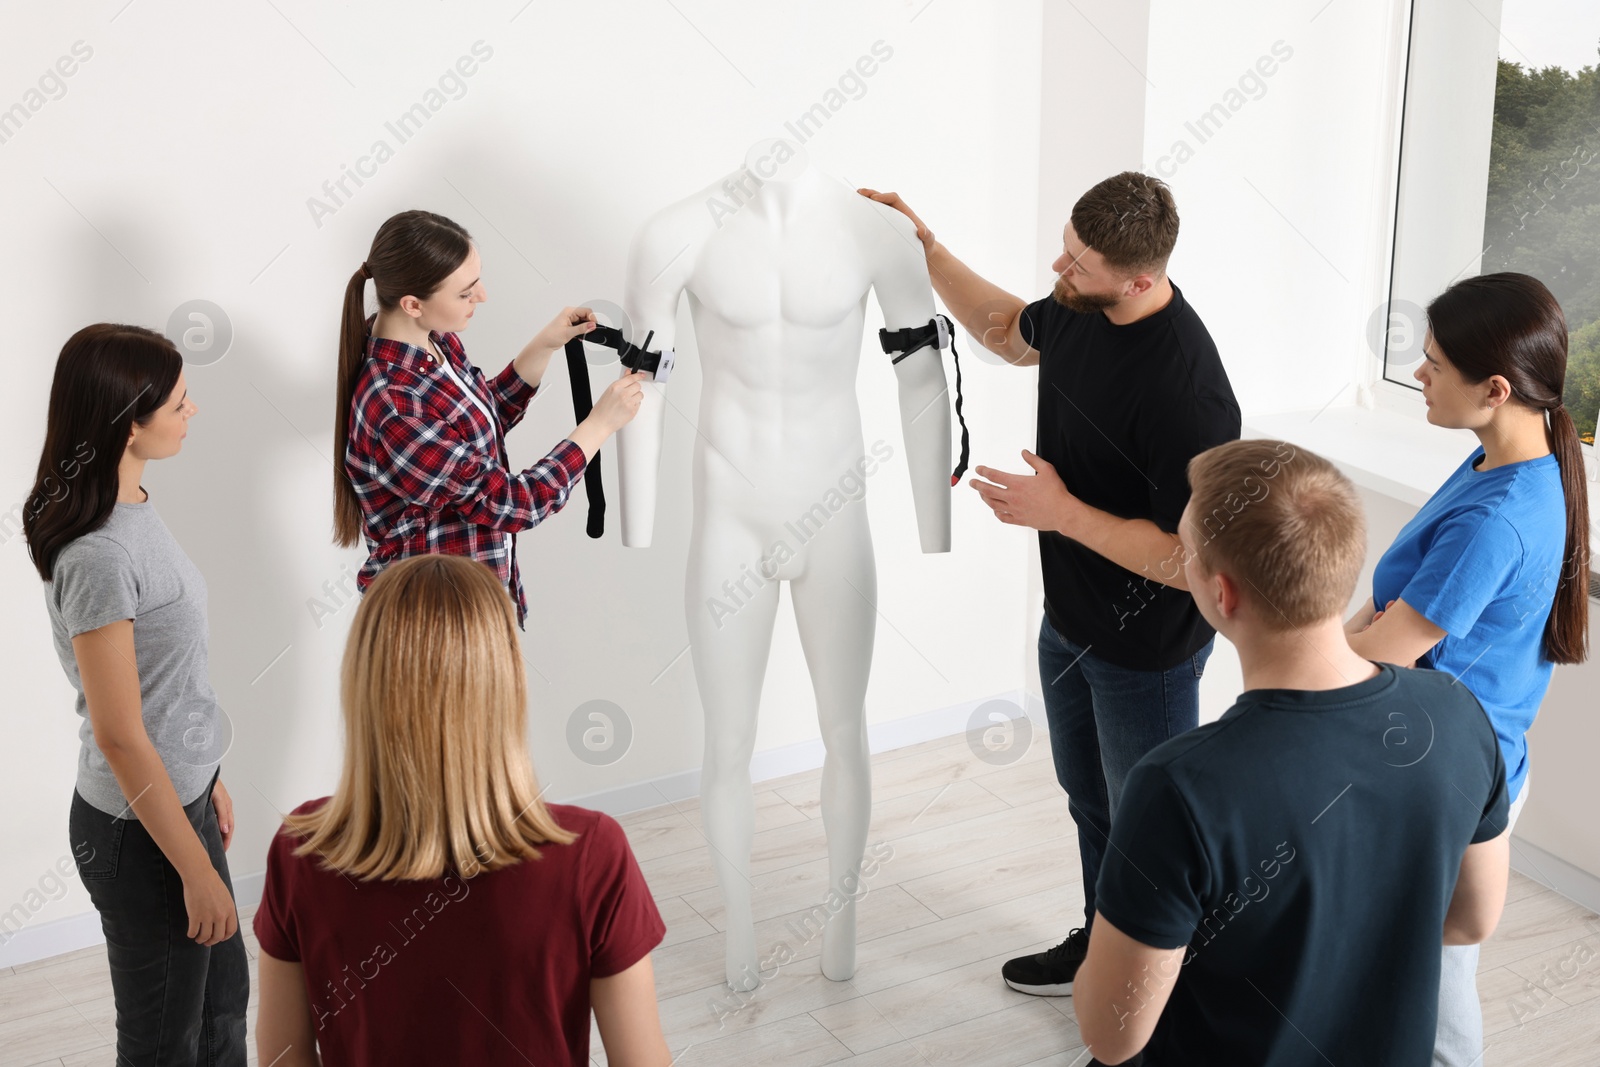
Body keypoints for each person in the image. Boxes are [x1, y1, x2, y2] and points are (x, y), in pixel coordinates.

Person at [860, 172, 1240, 994]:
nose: (1059, 270)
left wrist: (1060, 511)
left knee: (1152, 825)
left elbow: (1190, 561)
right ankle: (1105, 949)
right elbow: (1004, 328)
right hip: (1069, 620)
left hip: (1149, 650)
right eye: (1064, 250)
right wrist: (923, 247)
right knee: (1090, 800)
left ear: (1139, 279)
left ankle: (1165, 989)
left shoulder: (1188, 392)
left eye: (1079, 263)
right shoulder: (1081, 308)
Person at [1075, 439, 1512, 1066]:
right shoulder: (1456, 713)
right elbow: (1471, 921)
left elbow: (1111, 1036)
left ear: (1222, 594)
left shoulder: (1179, 785)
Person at [253, 554, 672, 1066]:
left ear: (362, 685)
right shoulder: (592, 856)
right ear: (506, 682)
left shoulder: (300, 852)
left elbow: (282, 1058)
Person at [1344, 272, 1589, 1066]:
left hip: (1450, 772)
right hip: (1452, 753)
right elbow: (1389, 619)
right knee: (1413, 963)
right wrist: (1362, 625)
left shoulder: (1499, 517)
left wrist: (1297, 634)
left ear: (1493, 388)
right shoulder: (1505, 460)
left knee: (1440, 982)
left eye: (1434, 363)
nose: (1419, 372)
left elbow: (1390, 642)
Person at [25, 324, 248, 1064]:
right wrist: (191, 867)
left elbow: (165, 677)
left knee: (222, 1017)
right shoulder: (99, 554)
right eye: (181, 403)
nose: (194, 412)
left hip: (180, 808)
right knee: (162, 1044)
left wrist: (207, 776)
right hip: (136, 833)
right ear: (130, 422)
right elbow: (121, 734)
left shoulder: (134, 504)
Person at [333, 209, 647, 628]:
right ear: (413, 304)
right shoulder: (394, 406)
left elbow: (479, 424)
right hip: (432, 623)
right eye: (465, 292)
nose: (482, 296)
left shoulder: (436, 344)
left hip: (475, 604)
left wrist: (545, 344)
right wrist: (599, 426)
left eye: (476, 280)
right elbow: (515, 503)